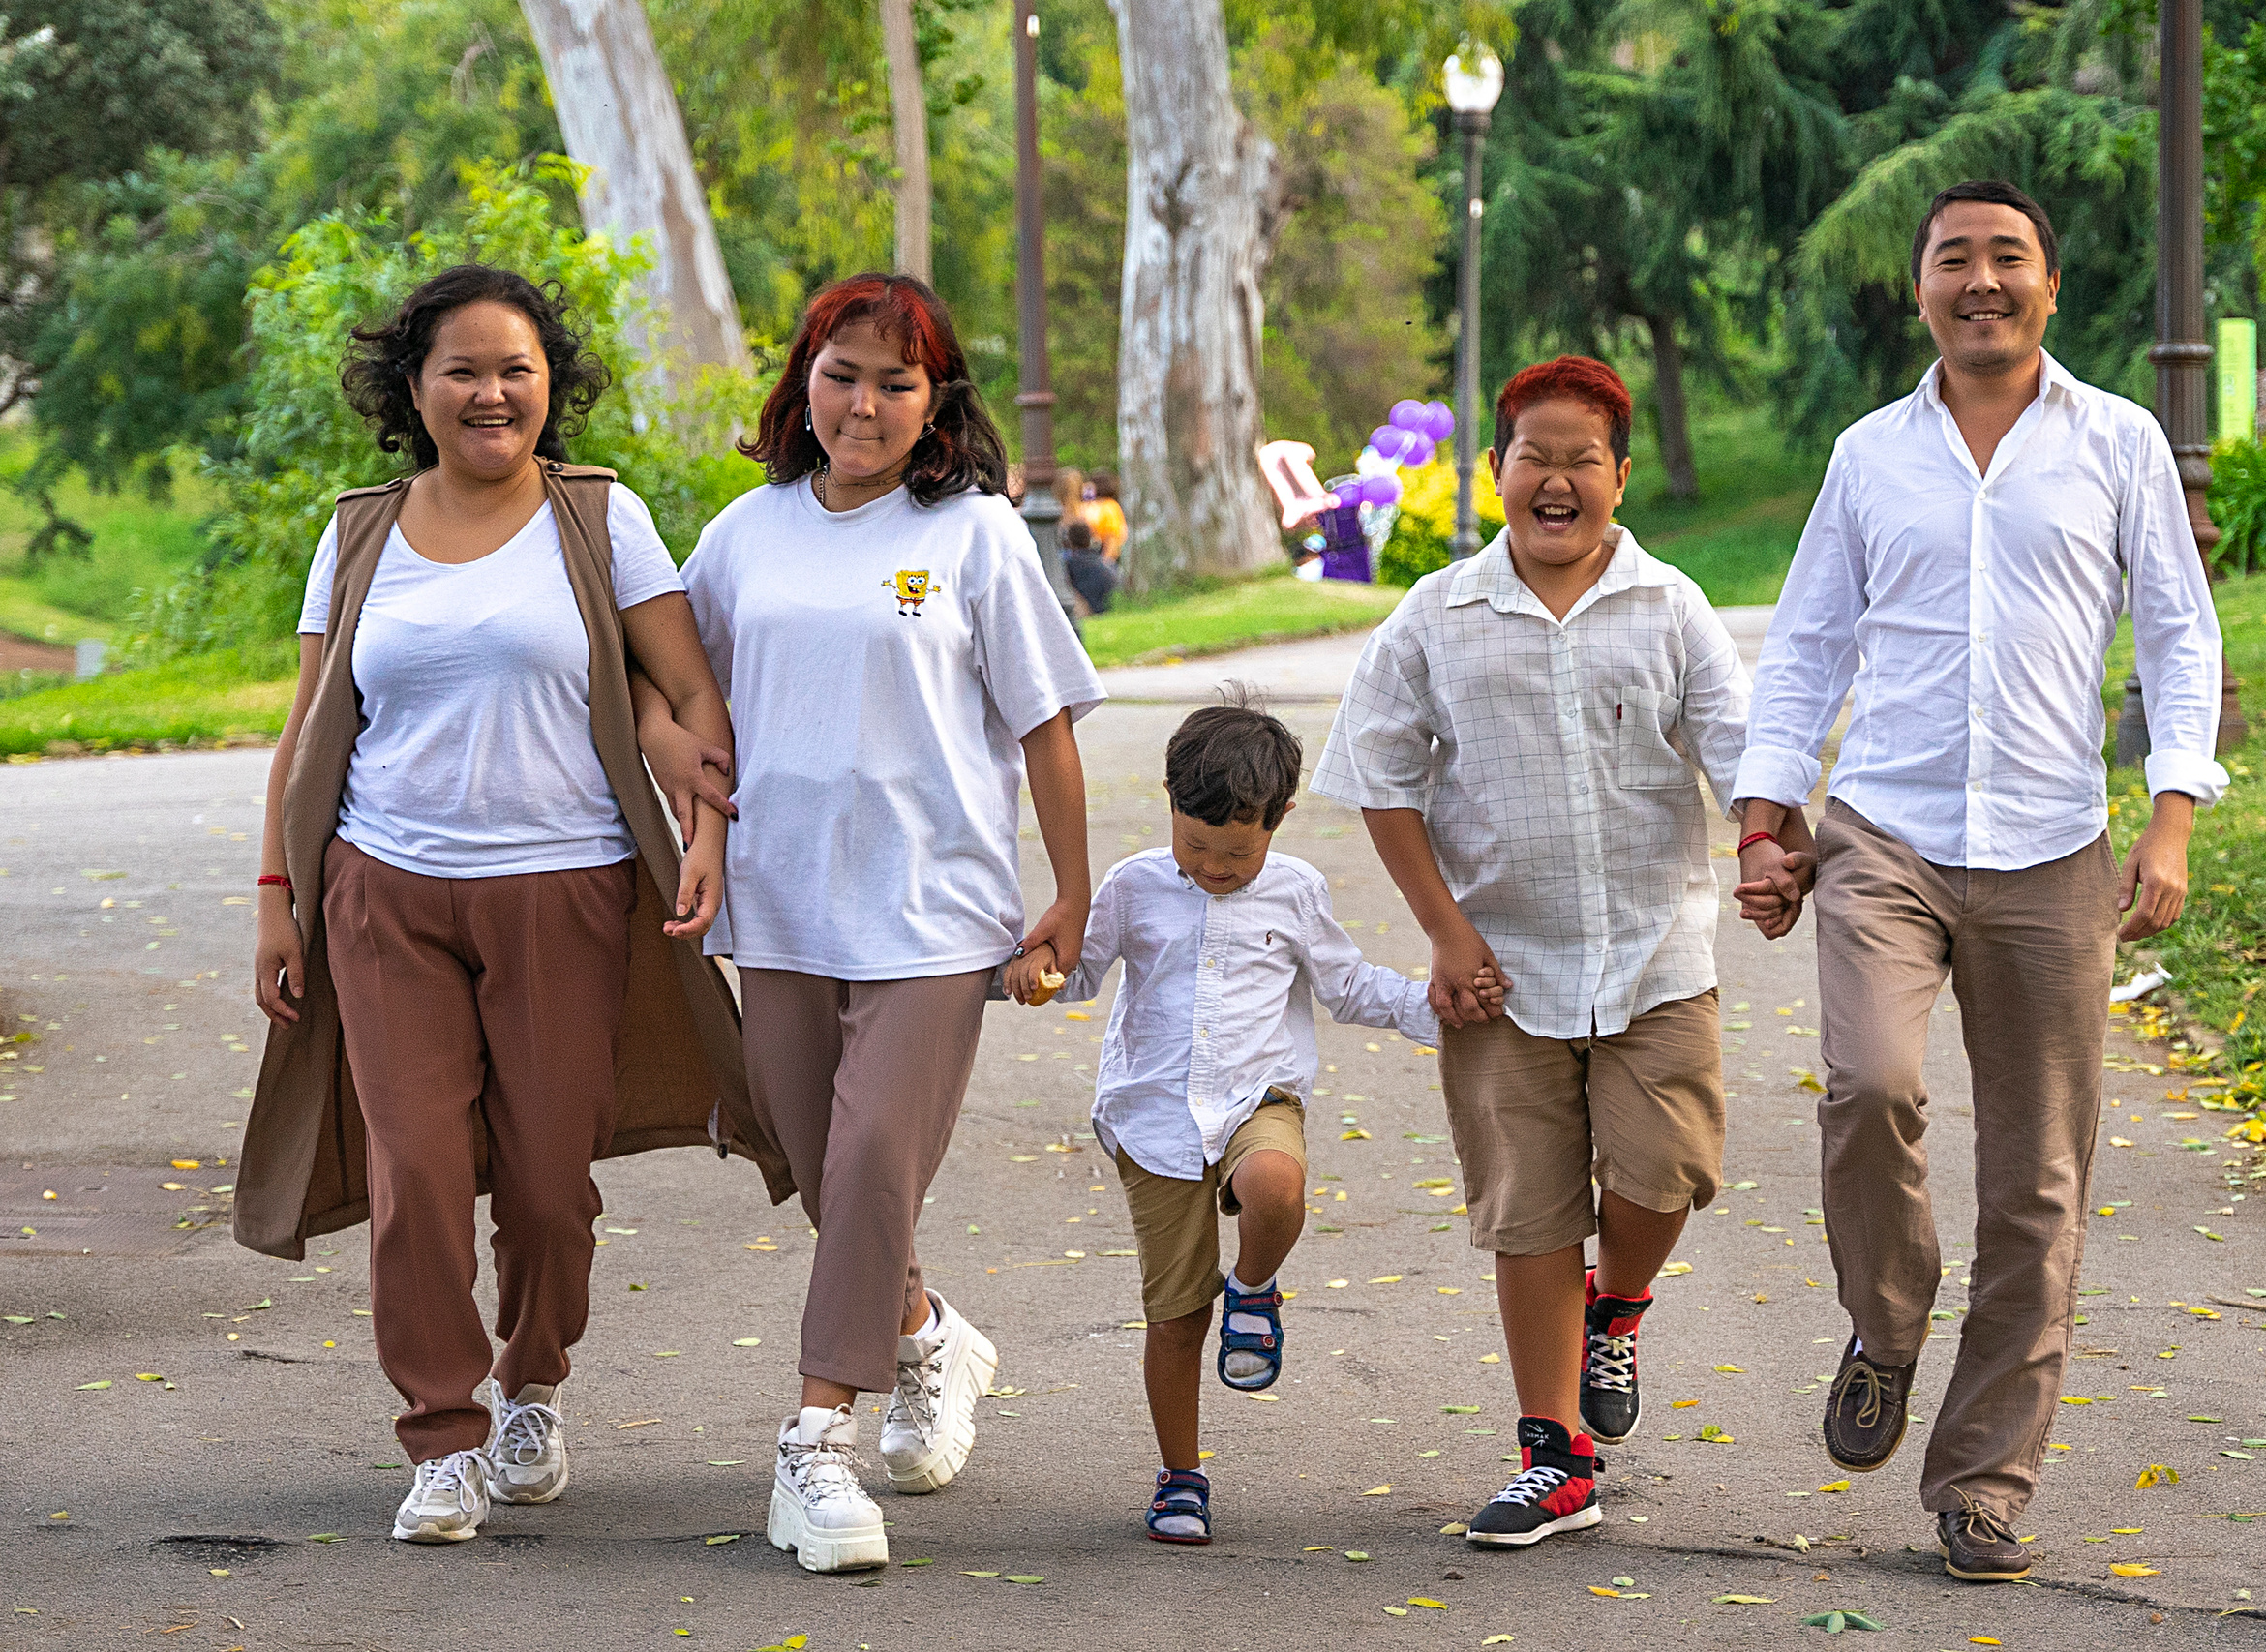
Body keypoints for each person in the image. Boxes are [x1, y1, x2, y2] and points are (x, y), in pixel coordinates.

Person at [238, 264, 786, 1547]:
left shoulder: (599, 518)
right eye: (463, 370)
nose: (492, 391)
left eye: (516, 369)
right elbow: (308, 726)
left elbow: (691, 699)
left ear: (552, 386)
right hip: (385, 891)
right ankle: (442, 1433)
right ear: (412, 390)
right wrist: (278, 895)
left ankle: (533, 1377)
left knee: (546, 1182)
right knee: (415, 1169)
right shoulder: (359, 528)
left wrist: (703, 834)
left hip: (566, 890)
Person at [1729, 179, 2227, 1584]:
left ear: (2051, 288)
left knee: (2039, 1182)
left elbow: (2181, 642)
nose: (1983, 280)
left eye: (2010, 258)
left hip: (2056, 847)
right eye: (1957, 259)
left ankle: (1983, 1482)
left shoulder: (2117, 440)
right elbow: (1811, 642)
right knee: (1870, 1086)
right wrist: (1769, 811)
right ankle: (1888, 1326)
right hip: (1882, 831)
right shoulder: (1868, 454)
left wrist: (2171, 816)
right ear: (1922, 289)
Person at [638, 272, 1103, 1576]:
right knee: (815, 1160)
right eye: (842, 373)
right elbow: (663, 692)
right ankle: (926, 1329)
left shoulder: (973, 535)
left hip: (936, 918)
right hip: (779, 910)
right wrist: (696, 800)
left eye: (897, 381)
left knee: (869, 1165)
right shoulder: (745, 532)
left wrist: (1066, 897)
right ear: (804, 382)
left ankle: (816, 1446)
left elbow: (1047, 729)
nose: (865, 402)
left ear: (934, 402)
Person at [1312, 355, 1772, 1549]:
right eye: (1535, 458)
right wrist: (1442, 929)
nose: (1556, 480)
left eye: (1582, 460)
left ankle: (1613, 1306)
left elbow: (1740, 750)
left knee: (1668, 1171)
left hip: (1655, 954)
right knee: (1526, 1210)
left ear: (1620, 477)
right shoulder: (1436, 615)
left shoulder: (1671, 607)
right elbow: (1378, 774)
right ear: (1497, 472)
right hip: (1497, 970)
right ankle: (1552, 1453)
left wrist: (1770, 843)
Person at [1014, 698, 1479, 1545]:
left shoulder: (1297, 892)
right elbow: (1078, 972)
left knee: (1274, 1185)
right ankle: (1181, 1475)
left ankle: (1255, 1285)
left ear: (1280, 819)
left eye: (1239, 849)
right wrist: (1033, 969)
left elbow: (1345, 985)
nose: (1216, 865)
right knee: (1177, 1313)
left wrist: (1438, 1009)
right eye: (1196, 845)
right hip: (1150, 1116)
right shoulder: (1133, 886)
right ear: (1168, 802)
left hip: (1255, 1098)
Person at [1062, 518, 1119, 616]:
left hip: (1089, 610)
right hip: (1108, 609)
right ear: (1090, 538)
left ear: (1069, 540)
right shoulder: (1106, 563)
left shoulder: (1069, 564)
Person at [1088, 470, 1128, 562]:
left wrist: (1105, 563)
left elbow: (1112, 538)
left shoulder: (1109, 508)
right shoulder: (1103, 506)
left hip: (1105, 556)